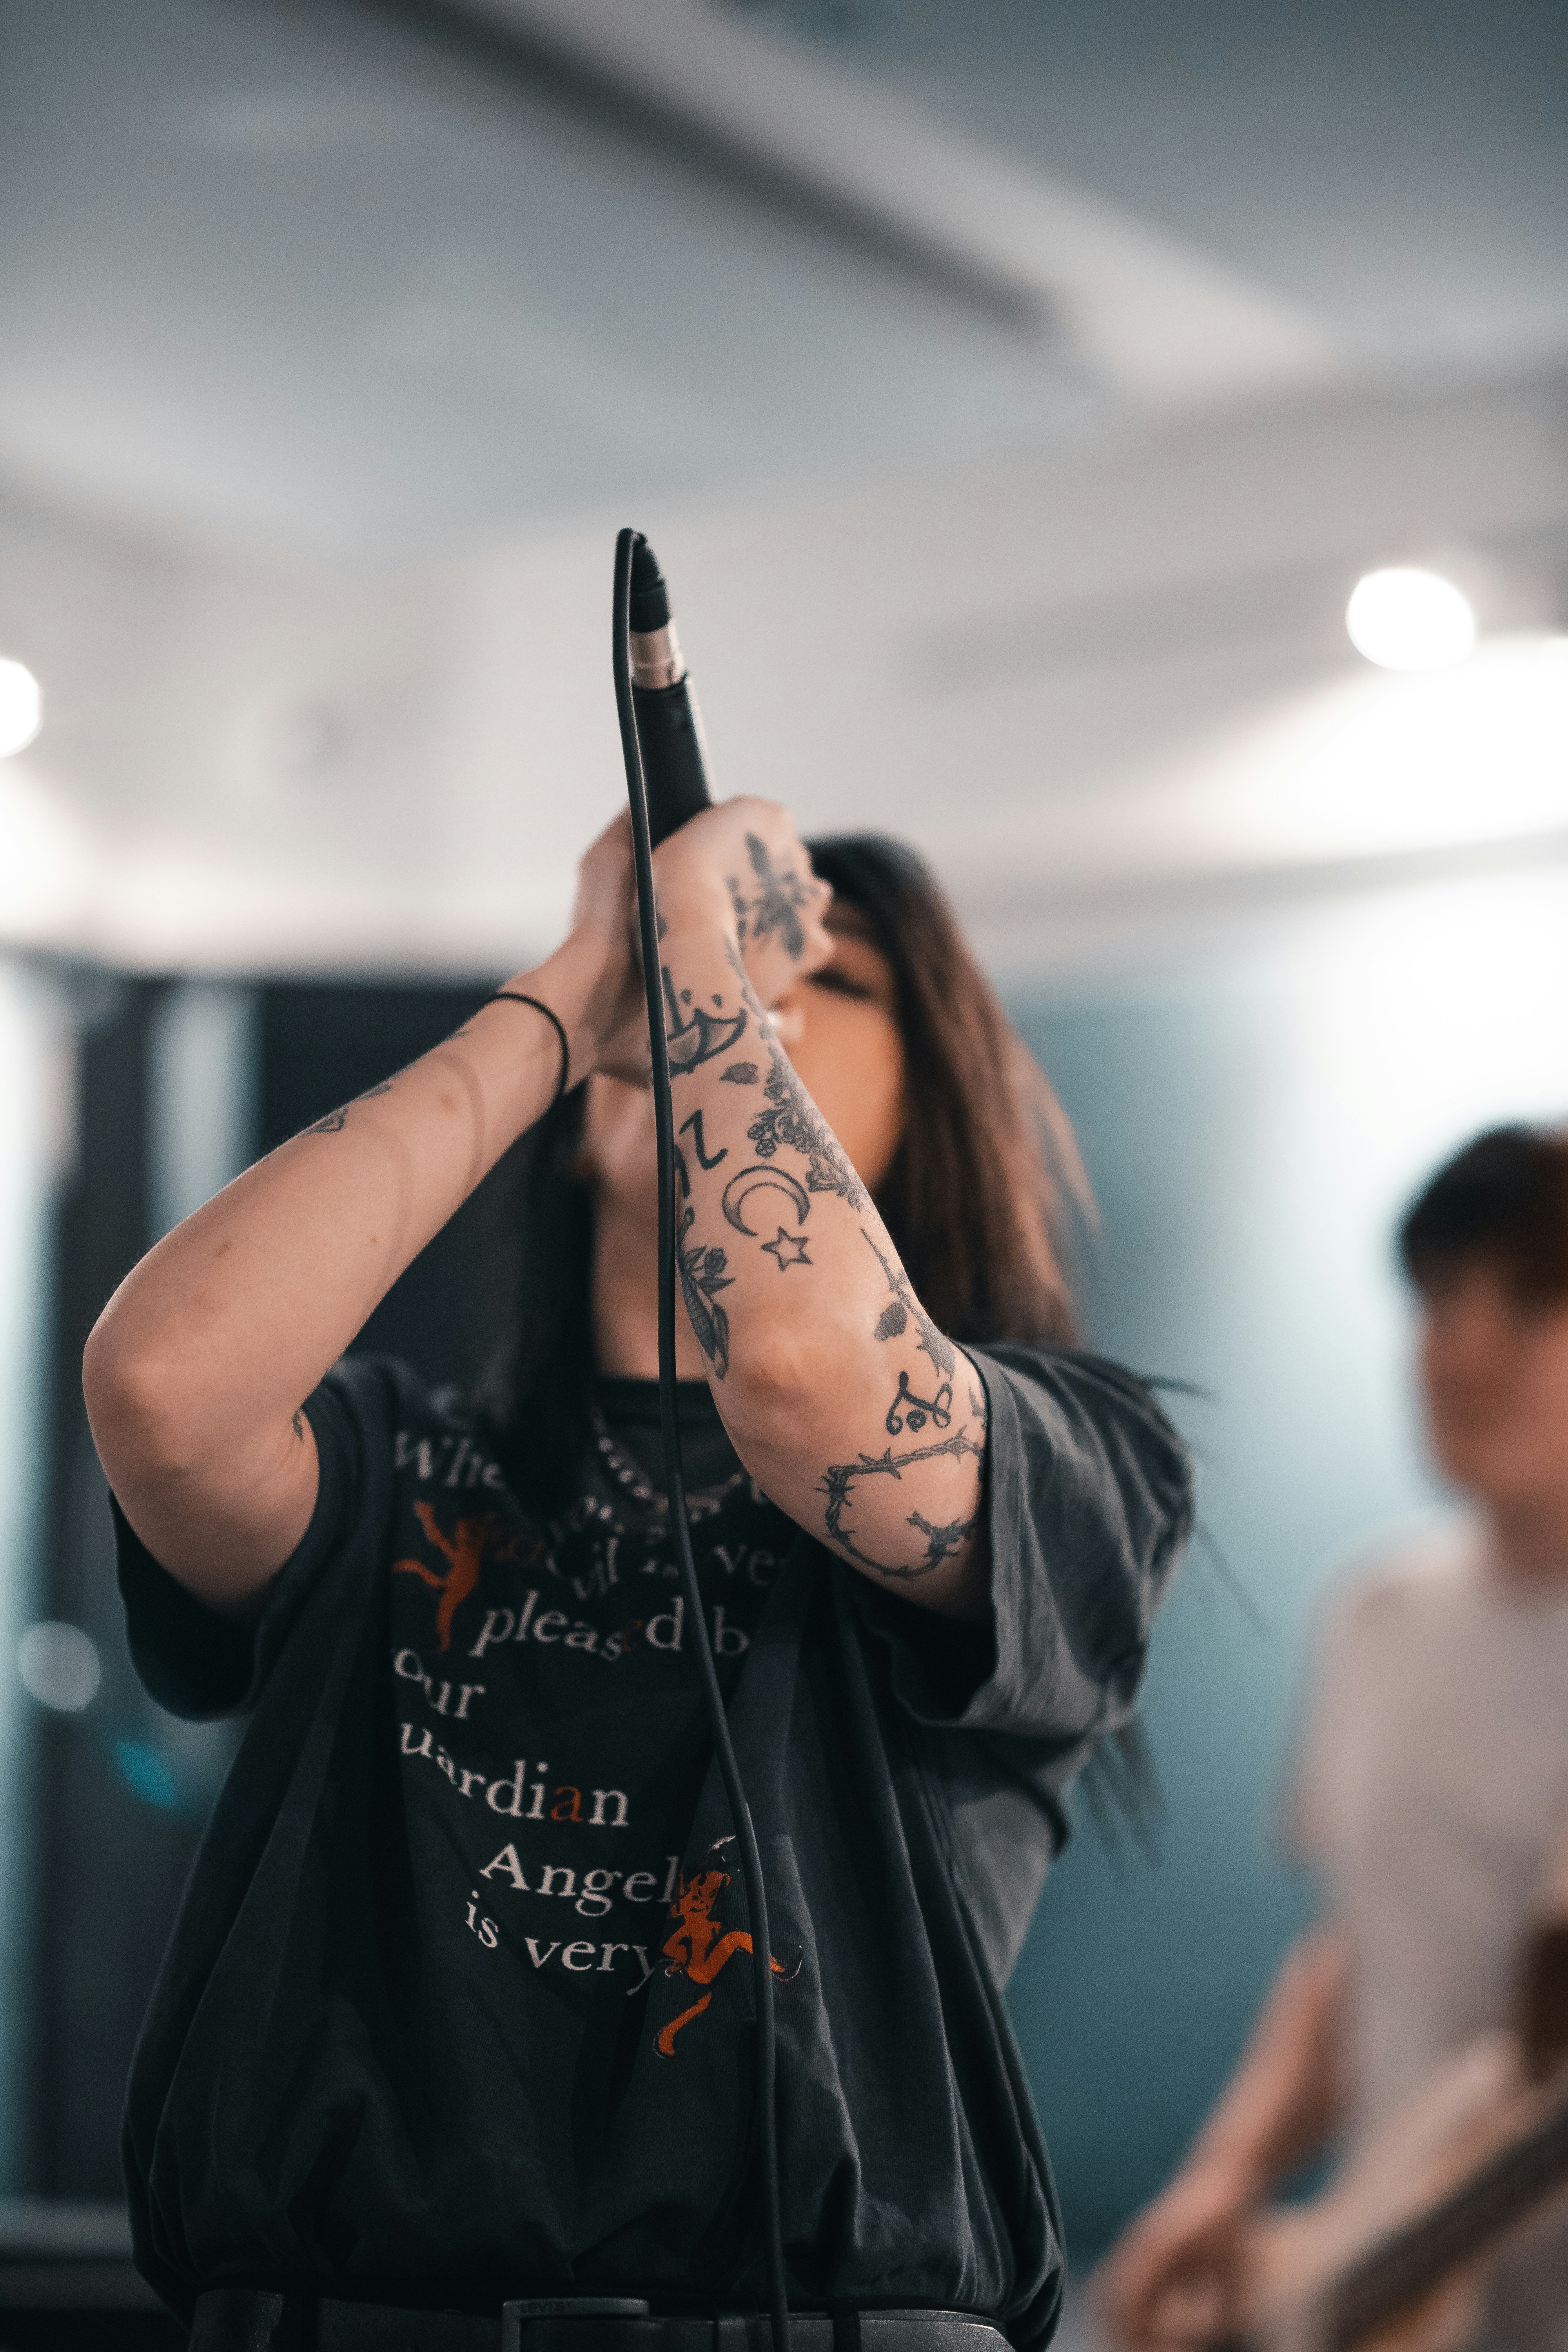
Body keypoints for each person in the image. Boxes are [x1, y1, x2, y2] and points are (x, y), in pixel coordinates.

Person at [84, 799, 1192, 2352]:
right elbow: (162, 1387)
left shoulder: (1067, 1454)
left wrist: (694, 955)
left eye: (825, 979)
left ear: (934, 1096)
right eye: (688, 974)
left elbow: (805, 1376)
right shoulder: (389, 1467)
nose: (730, 991)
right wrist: (576, 983)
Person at [1098, 1123, 1568, 2352]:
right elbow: (1357, 1951)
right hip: (1404, 2301)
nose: (1462, 1349)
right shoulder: (1378, 1617)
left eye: (1532, 1300)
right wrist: (1224, 2176)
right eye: (1439, 1297)